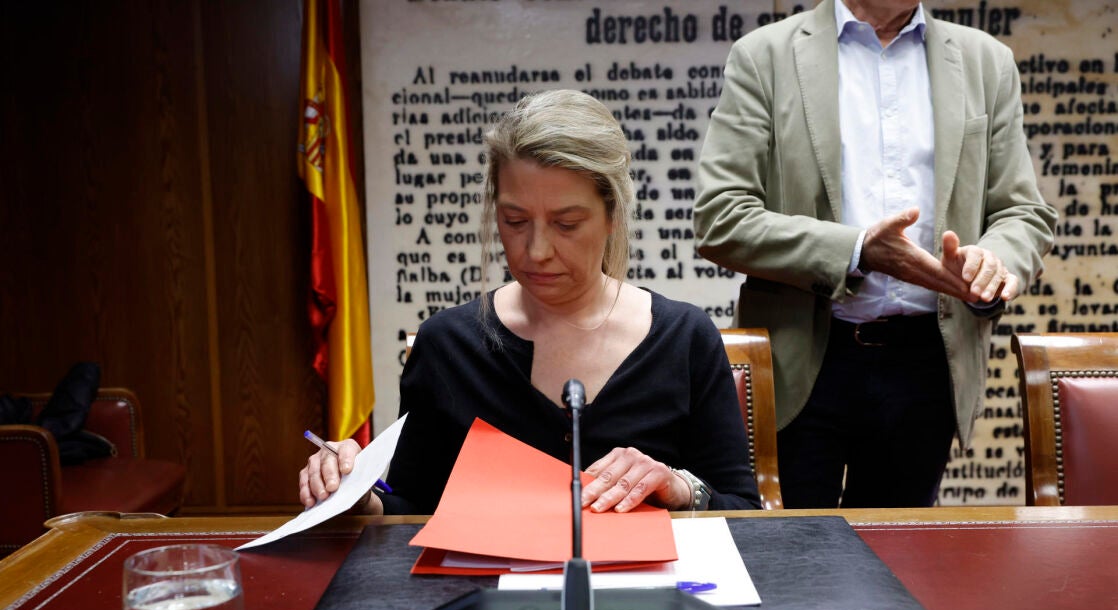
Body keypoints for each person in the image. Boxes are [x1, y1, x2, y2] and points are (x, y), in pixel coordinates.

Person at [300, 89, 762, 515]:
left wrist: (679, 488)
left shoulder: (685, 338)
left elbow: (745, 511)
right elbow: (414, 510)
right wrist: (357, 499)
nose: (536, 251)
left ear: (612, 217)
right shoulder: (446, 345)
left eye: (566, 224)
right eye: (515, 220)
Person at [694, 0, 1056, 508]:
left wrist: (991, 263)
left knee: (897, 551)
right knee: (796, 548)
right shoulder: (766, 55)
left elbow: (1023, 212)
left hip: (928, 364)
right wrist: (858, 250)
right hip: (803, 360)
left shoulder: (985, 60)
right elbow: (721, 216)